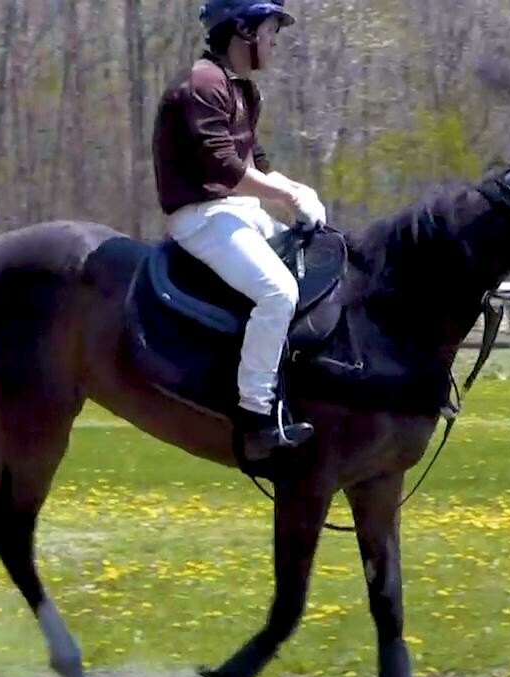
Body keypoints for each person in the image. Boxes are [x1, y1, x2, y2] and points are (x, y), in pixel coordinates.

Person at [151, 0, 326, 466]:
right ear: (243, 31)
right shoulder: (203, 84)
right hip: (202, 216)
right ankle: (254, 418)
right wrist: (287, 199)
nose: (273, 42)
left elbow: (256, 164)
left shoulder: (241, 89)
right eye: (270, 31)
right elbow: (225, 168)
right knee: (277, 292)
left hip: (238, 210)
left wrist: (296, 189)